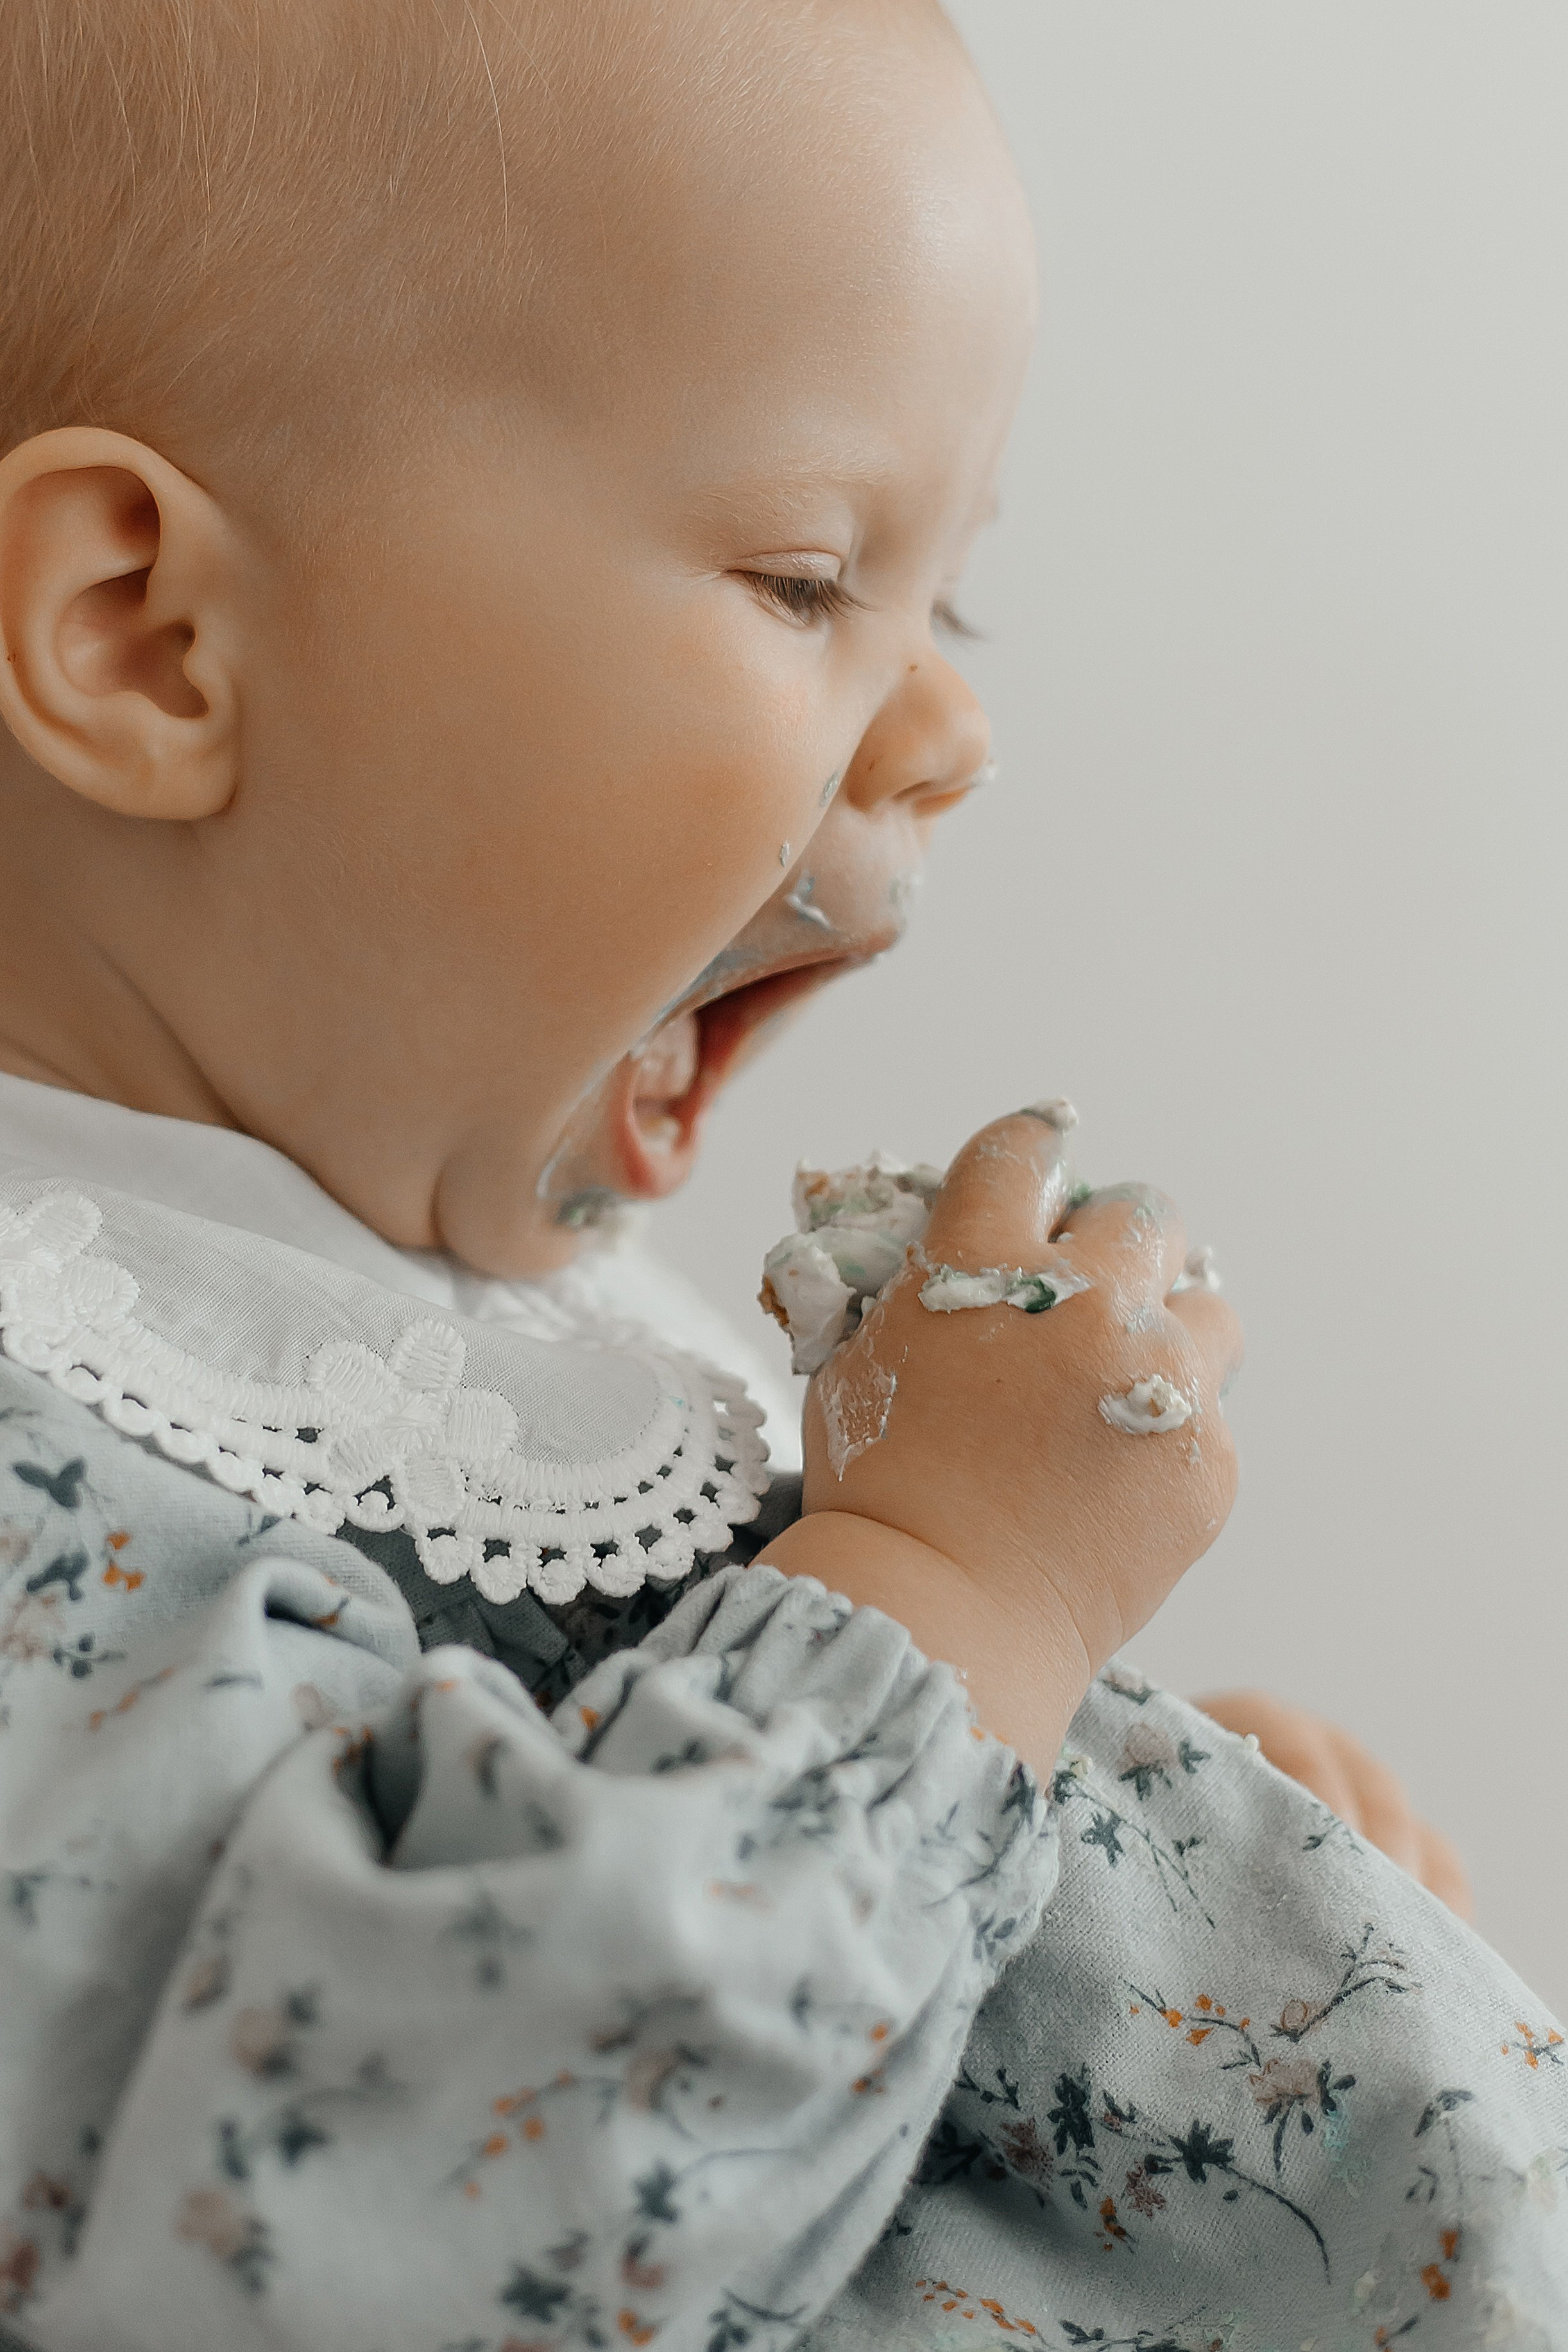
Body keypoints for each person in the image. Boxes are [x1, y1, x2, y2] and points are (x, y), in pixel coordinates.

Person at [0, 4, 1558, 2346]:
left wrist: (1113, 1915)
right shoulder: (66, 1478)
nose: (950, 730)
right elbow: (373, 2220)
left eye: (957, 605)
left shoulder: (510, 1334)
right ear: (151, 636)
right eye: (816, 581)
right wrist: (943, 1609)